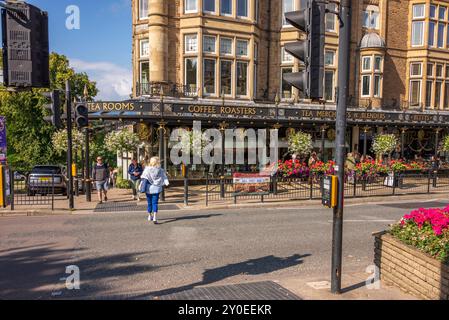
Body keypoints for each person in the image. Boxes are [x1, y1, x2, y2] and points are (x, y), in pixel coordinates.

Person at [141, 156, 169, 224]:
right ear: (157, 162)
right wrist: (166, 182)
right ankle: (155, 217)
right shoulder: (160, 169)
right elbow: (164, 177)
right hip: (156, 188)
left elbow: (144, 178)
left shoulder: (147, 169)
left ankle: (149, 215)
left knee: (149, 203)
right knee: (155, 203)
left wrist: (141, 186)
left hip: (148, 189)